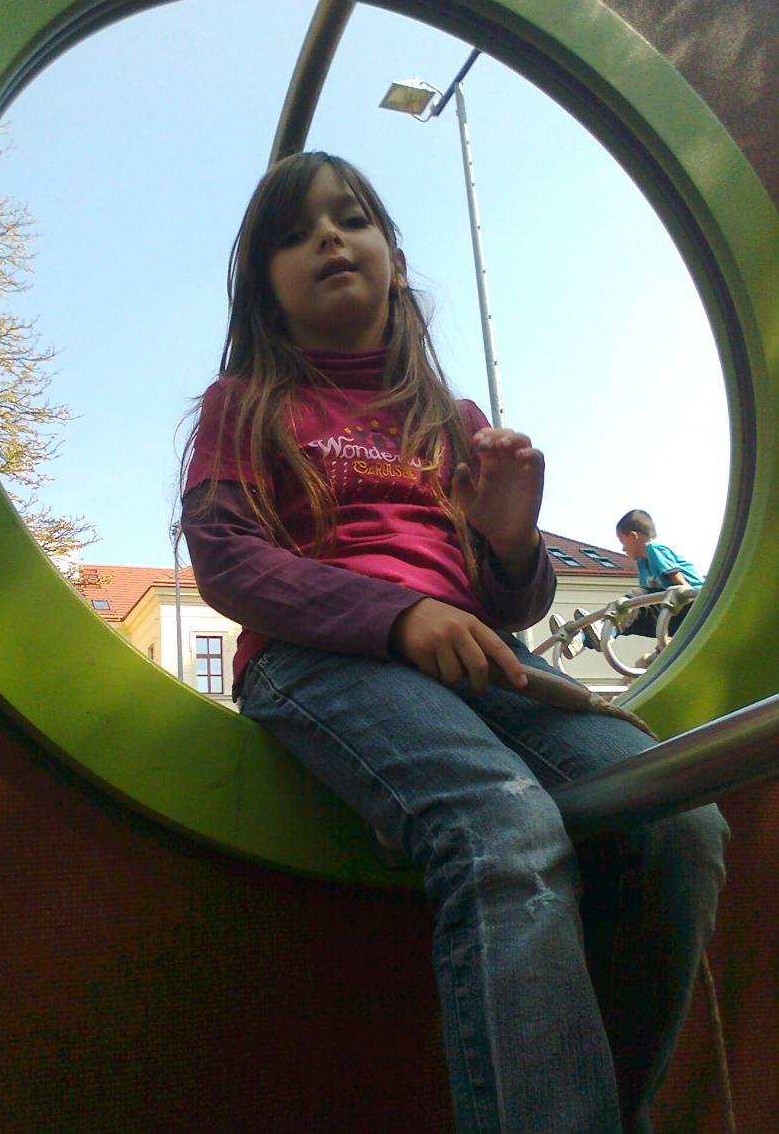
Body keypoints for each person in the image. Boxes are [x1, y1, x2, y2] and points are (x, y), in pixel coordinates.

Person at [180, 151, 728, 1134]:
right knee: (502, 826)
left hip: (472, 652)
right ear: (265, 284)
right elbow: (226, 559)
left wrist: (511, 542)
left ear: (394, 259)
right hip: (321, 657)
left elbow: (505, 603)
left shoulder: (451, 420)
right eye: (295, 234)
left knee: (678, 816)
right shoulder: (247, 402)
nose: (329, 237)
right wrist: (394, 615)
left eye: (351, 218)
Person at [615, 509, 705, 641]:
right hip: (673, 606)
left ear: (634, 536)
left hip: (695, 601)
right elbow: (647, 601)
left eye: (623, 542)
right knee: (636, 613)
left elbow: (682, 584)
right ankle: (603, 633)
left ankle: (611, 625)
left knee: (634, 598)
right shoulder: (642, 562)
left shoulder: (655, 550)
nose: (623, 548)